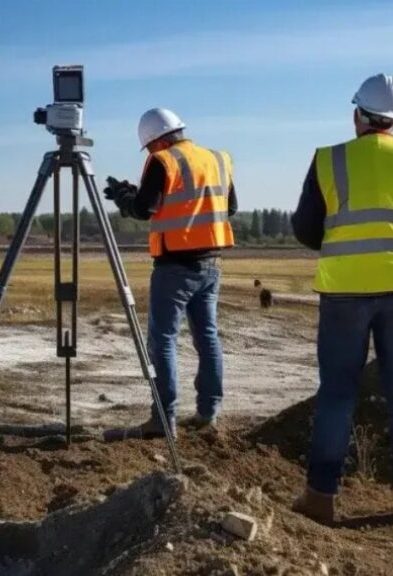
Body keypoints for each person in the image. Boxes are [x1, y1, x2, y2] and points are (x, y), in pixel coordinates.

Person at [290, 73, 393, 524]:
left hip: (342, 291)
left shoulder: (327, 160)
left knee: (337, 394)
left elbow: (305, 230)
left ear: (357, 114)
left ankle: (321, 499)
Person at [102, 108, 237, 441]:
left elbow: (144, 209)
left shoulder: (163, 161)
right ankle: (208, 415)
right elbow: (228, 207)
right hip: (211, 265)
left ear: (157, 140)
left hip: (175, 267)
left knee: (162, 339)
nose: (149, 153)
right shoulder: (217, 159)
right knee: (207, 337)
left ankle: (163, 419)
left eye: (148, 147)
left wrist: (123, 197)